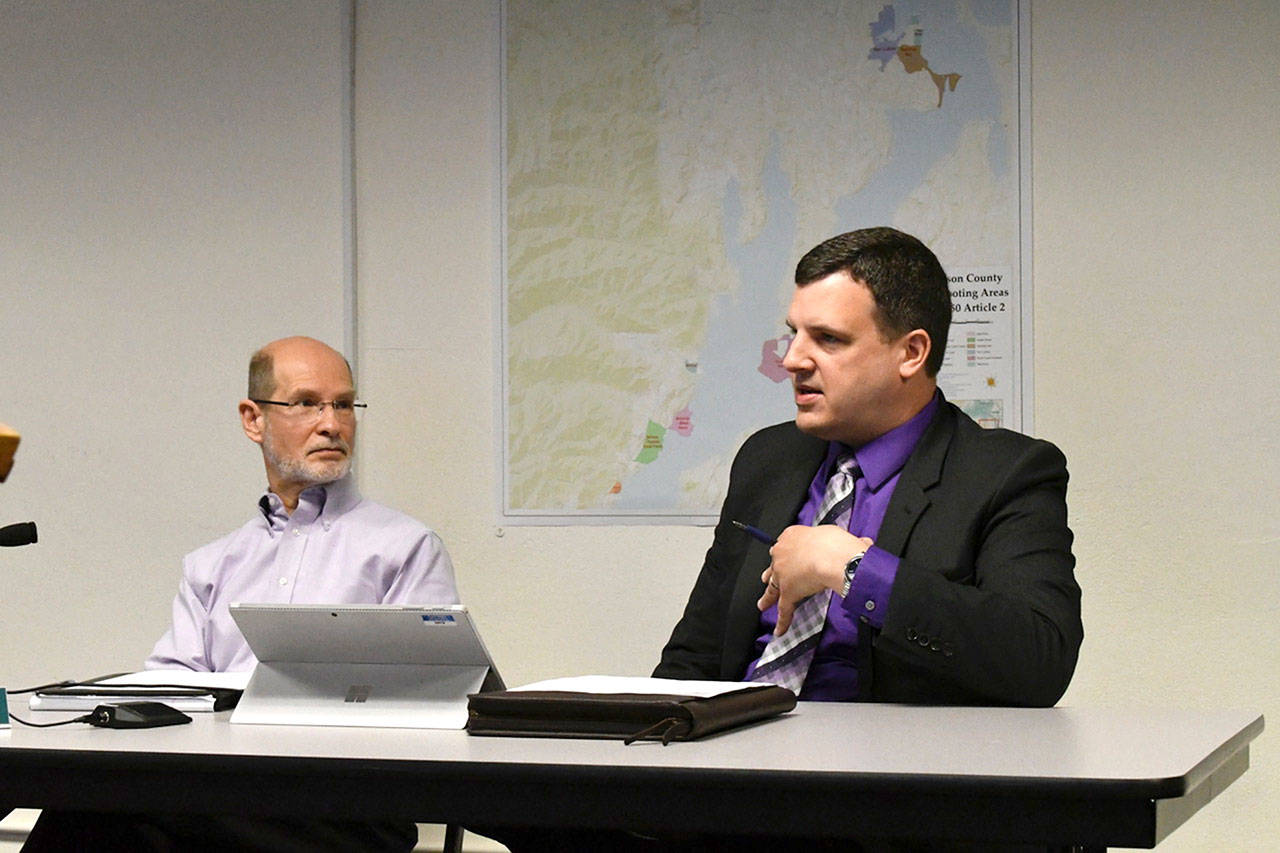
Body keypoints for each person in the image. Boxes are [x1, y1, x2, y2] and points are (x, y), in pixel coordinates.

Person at [23, 336, 457, 852]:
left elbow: (431, 704)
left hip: (347, 805)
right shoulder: (212, 564)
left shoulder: (405, 548)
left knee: (106, 809)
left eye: (343, 404)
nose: (332, 424)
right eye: (306, 403)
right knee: (92, 804)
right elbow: (172, 690)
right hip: (219, 789)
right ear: (254, 419)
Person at [655, 227, 1082, 707]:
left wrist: (850, 568)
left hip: (887, 771)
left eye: (828, 339)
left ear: (911, 353)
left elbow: (1040, 661)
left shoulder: (1006, 472)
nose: (793, 359)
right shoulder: (768, 457)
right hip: (739, 756)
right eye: (795, 334)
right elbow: (694, 655)